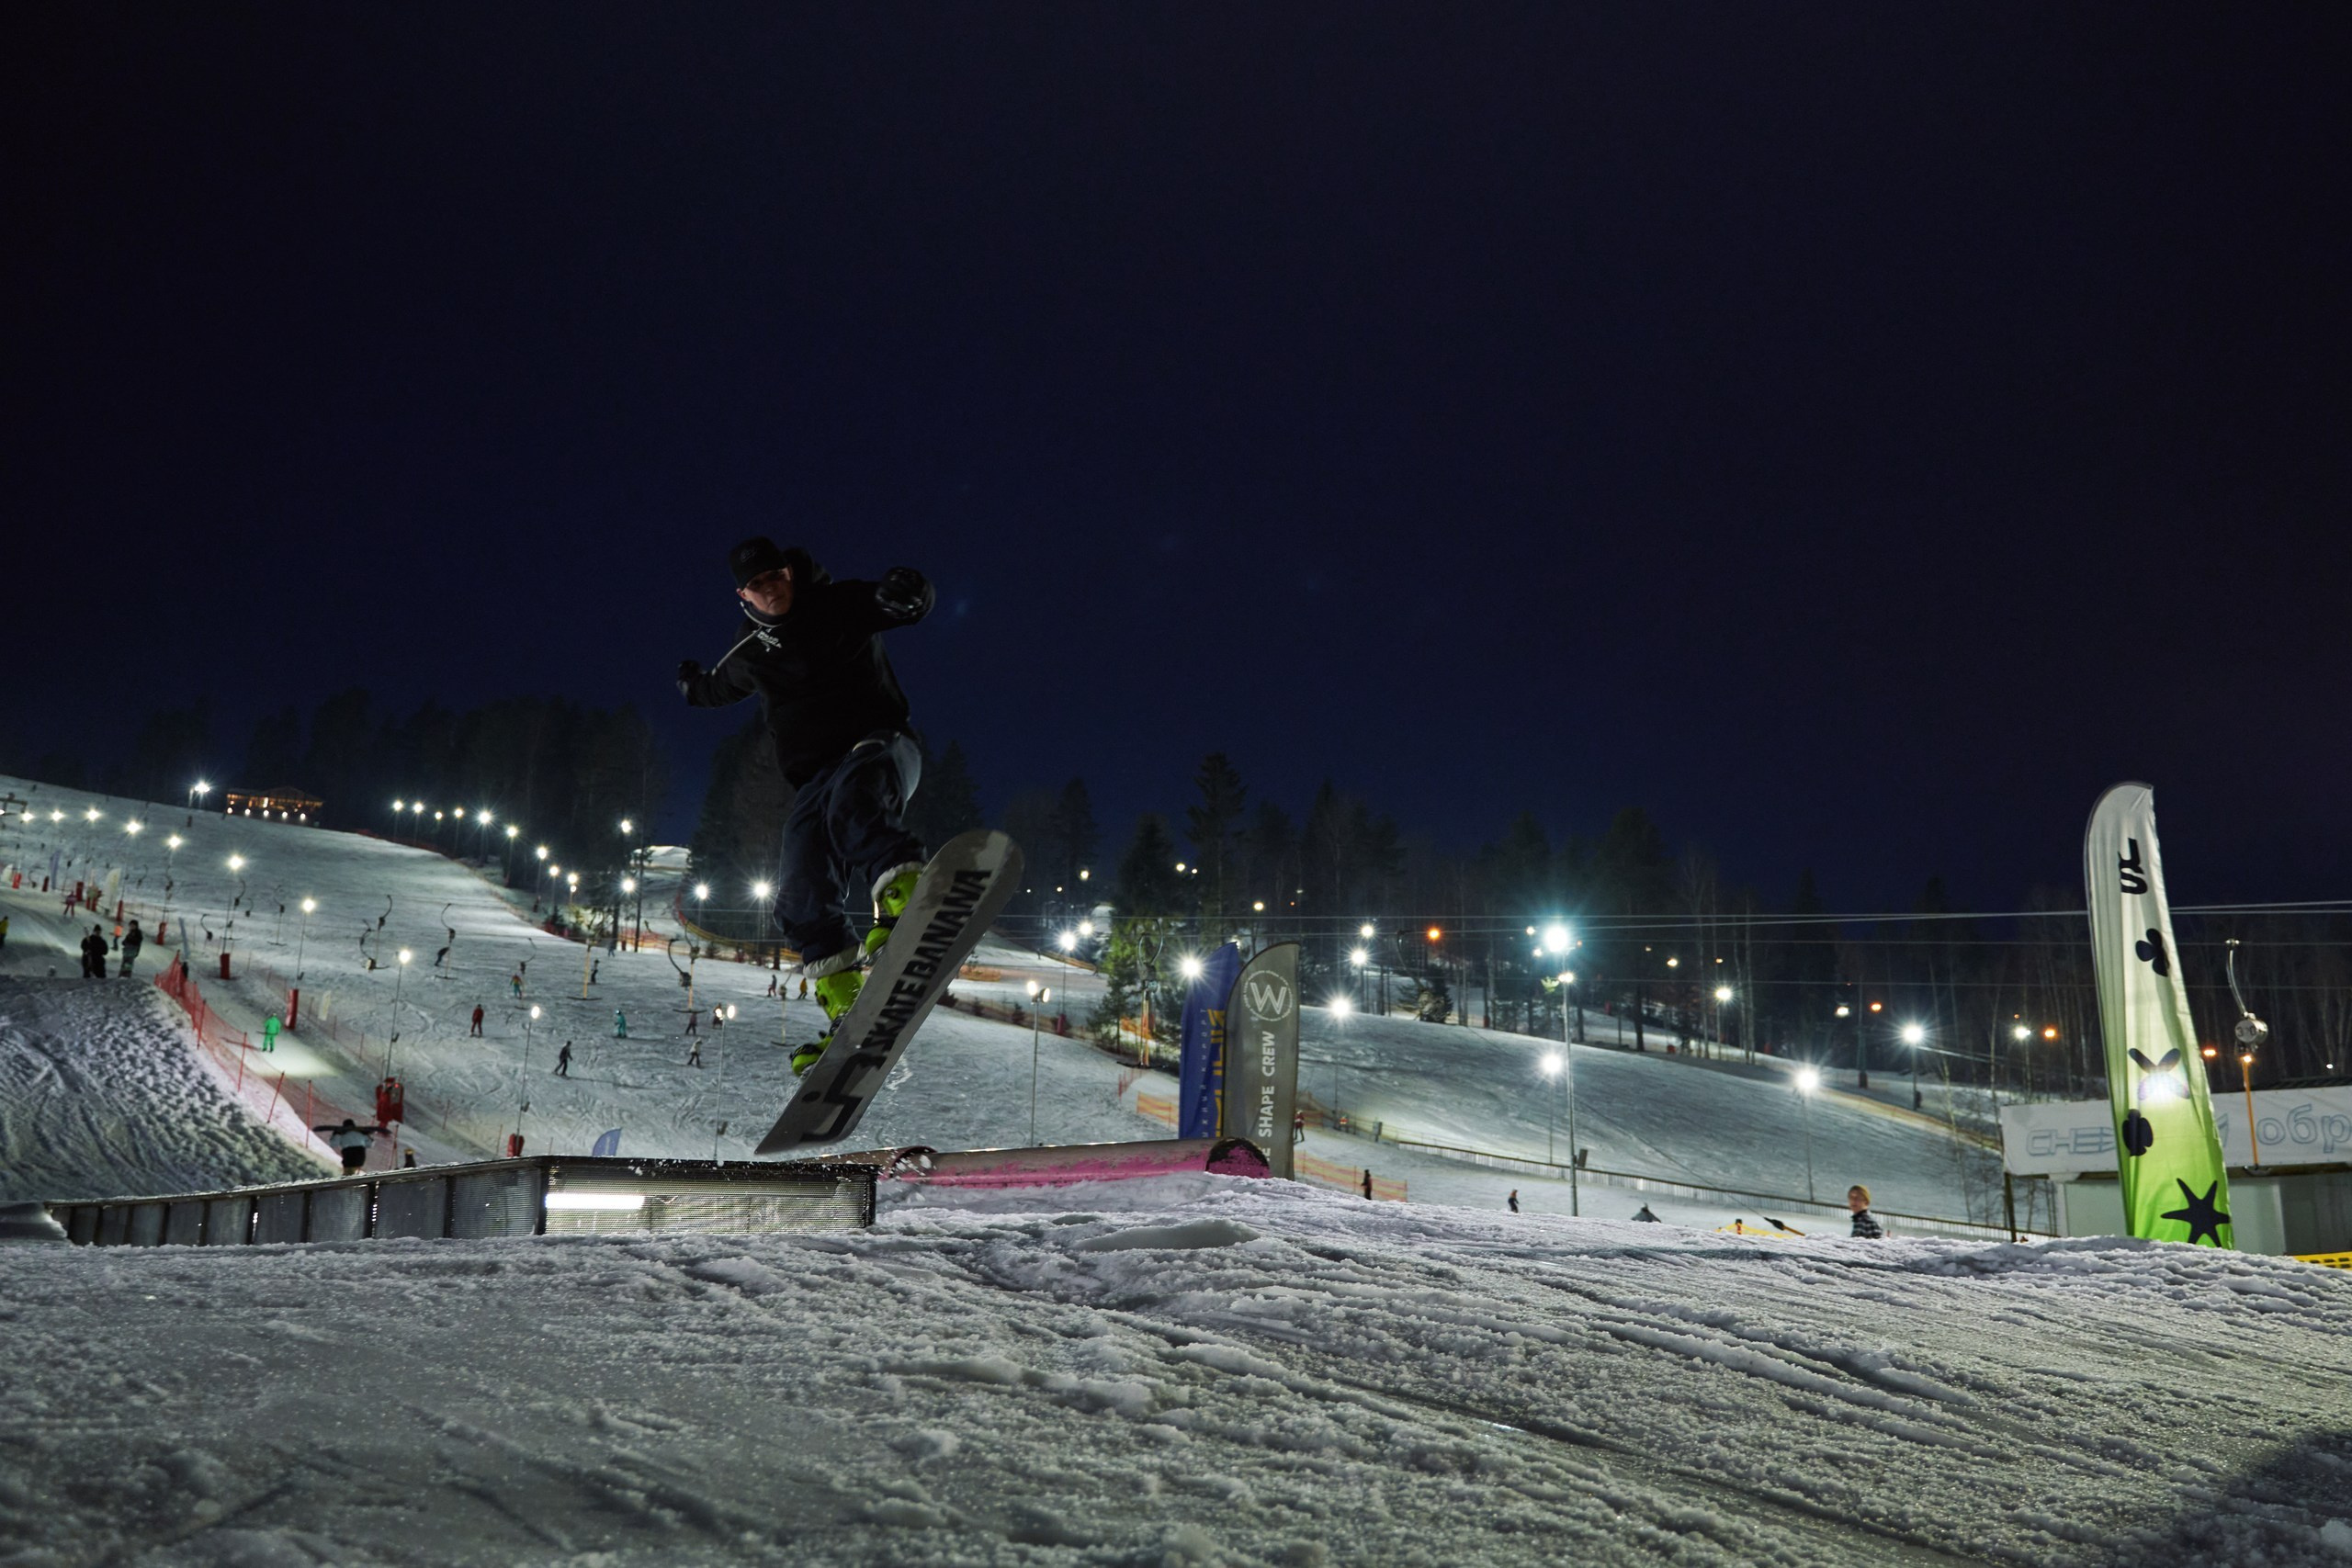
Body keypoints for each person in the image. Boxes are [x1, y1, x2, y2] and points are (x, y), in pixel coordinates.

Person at [676, 537, 934, 1075]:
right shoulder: (750, 647)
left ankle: (906, 897)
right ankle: (848, 1007)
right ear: (743, 595)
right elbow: (720, 686)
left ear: (790, 573)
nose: (771, 592)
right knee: (798, 886)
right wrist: (691, 688)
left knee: (853, 804)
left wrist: (911, 595)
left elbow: (894, 606)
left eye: (777, 578)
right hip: (816, 776)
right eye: (758, 587)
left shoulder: (837, 603)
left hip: (880, 743)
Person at [312, 1118, 382, 1175]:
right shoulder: (361, 1134)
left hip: (349, 1156)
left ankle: (346, 1186)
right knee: (352, 1172)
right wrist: (368, 1136)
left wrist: (336, 1134)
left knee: (348, 1174)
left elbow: (333, 1144)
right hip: (360, 1156)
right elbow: (370, 1144)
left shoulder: (342, 1135)